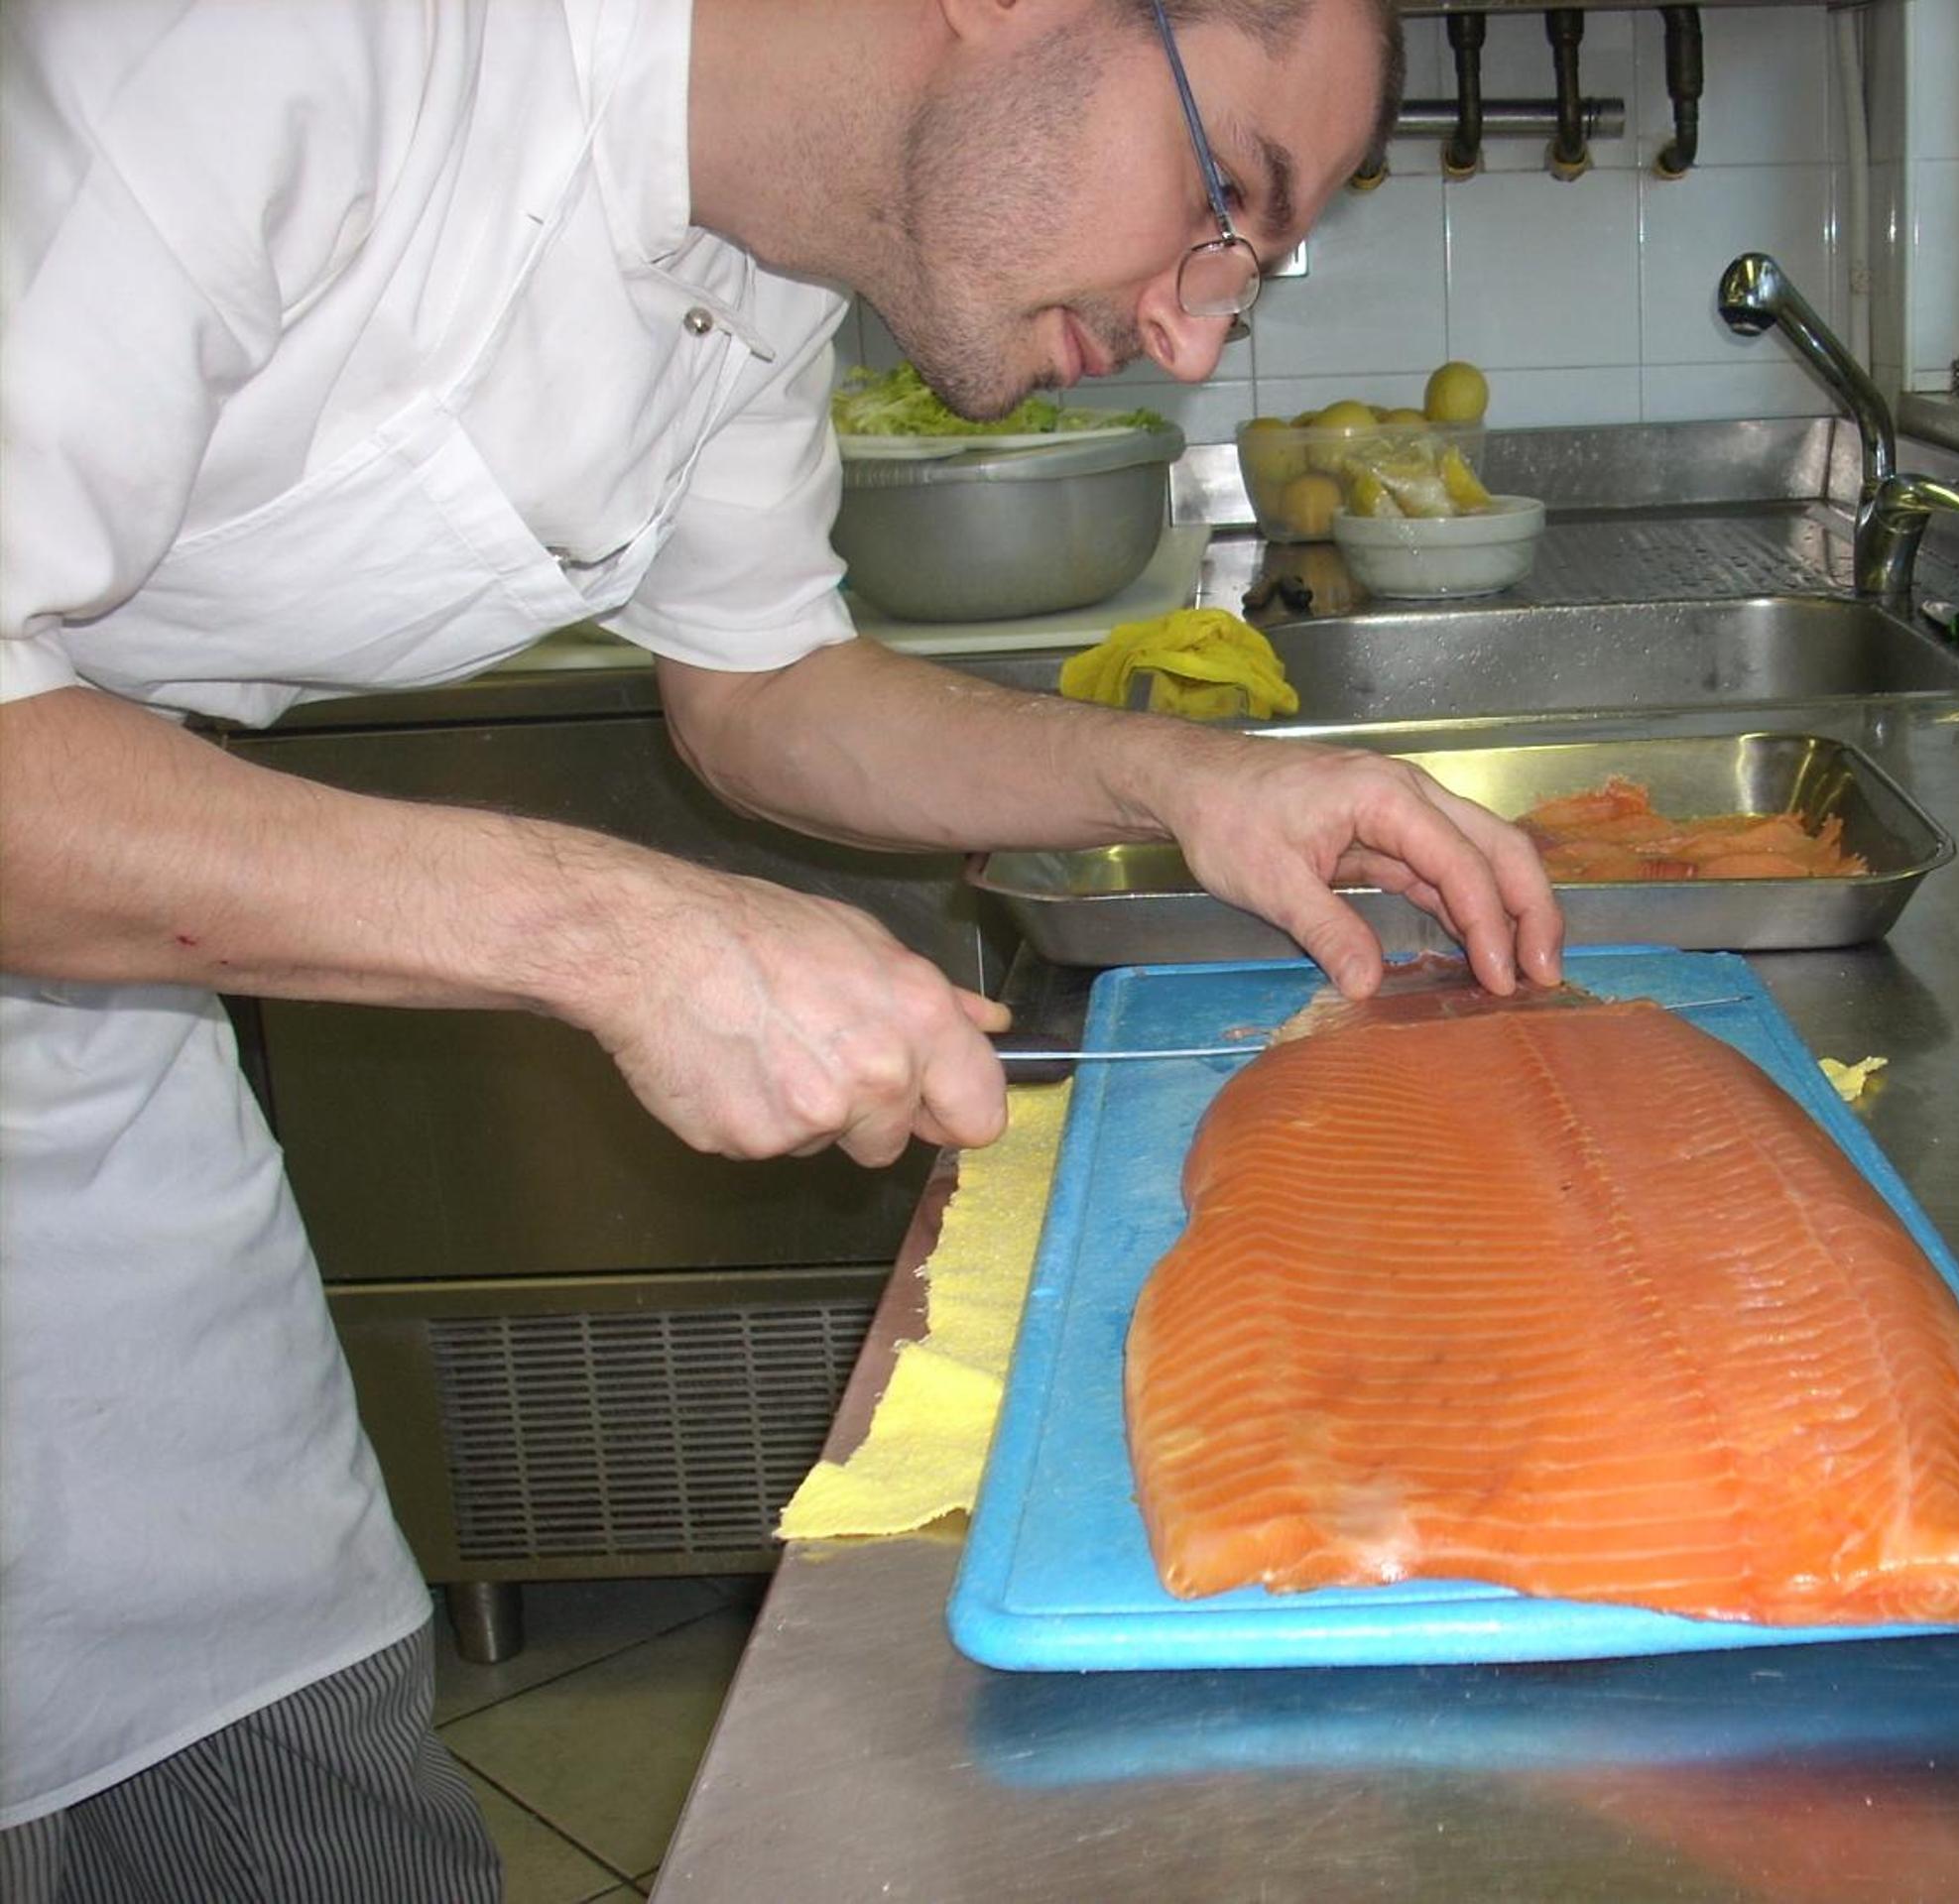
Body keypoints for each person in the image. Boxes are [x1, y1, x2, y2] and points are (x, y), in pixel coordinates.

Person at [0, 0, 1564, 1892]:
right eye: (1222, 194)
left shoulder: (780, 236)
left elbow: (761, 690)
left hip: (88, 1070)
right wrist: (612, 931)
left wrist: (1183, 778)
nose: (1190, 335)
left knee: (287, 1791)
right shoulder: (274, 42)